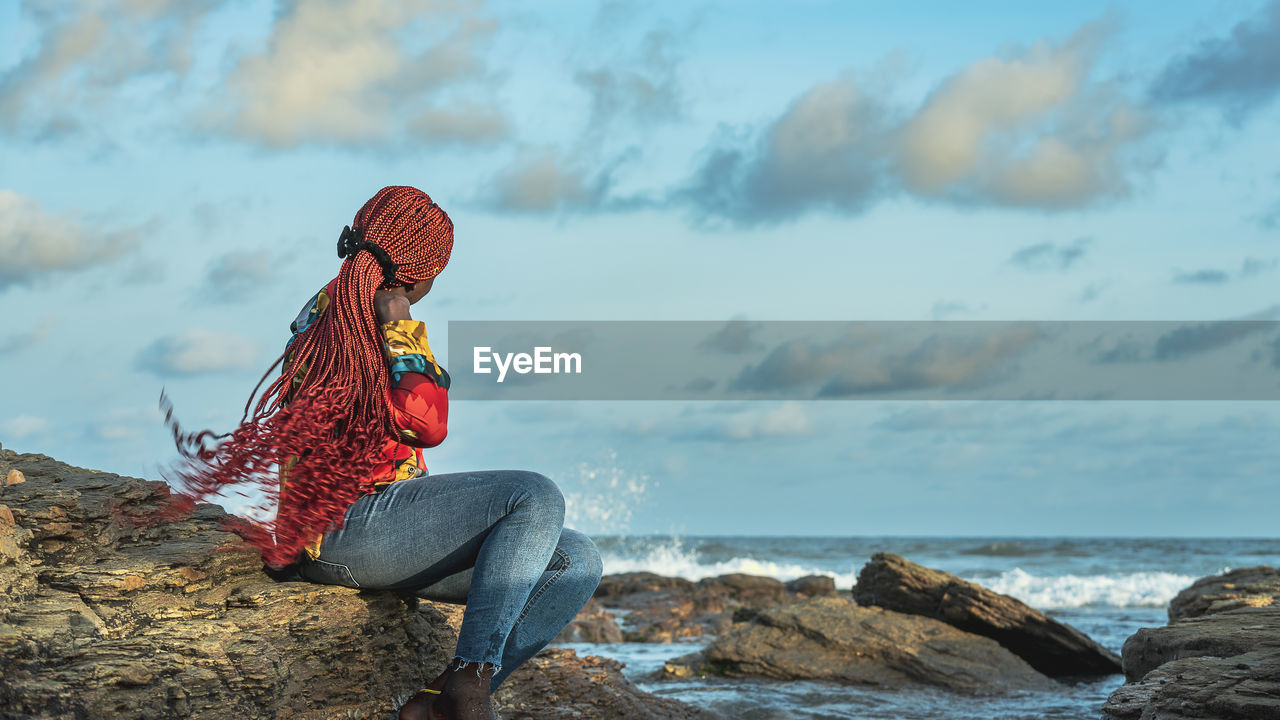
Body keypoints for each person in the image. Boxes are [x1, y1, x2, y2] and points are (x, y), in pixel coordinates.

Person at [160, 186, 601, 720]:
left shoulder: (349, 306)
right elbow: (427, 423)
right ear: (418, 275)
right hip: (342, 528)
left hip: (385, 531)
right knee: (533, 495)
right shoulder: (359, 318)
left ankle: (440, 700)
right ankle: (471, 688)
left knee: (576, 561)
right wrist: (401, 324)